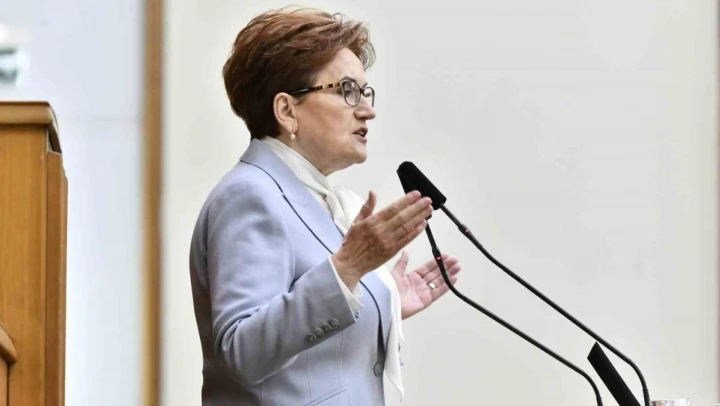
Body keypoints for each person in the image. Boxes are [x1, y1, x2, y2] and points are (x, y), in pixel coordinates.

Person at [189, 7, 462, 405]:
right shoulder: (249, 195)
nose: (367, 109)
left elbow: (309, 334)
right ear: (287, 111)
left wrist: (381, 302)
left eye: (365, 92)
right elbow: (242, 349)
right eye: (346, 90)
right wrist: (349, 266)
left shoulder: (312, 196)